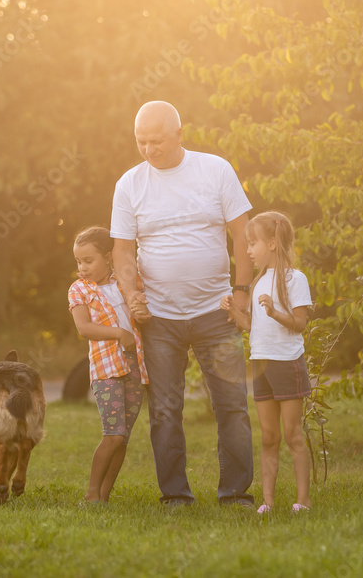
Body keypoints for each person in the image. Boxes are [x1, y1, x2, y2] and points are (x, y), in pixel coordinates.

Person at [111, 100, 255, 506]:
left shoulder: (215, 170)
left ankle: (236, 494)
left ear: (179, 134)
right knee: (164, 411)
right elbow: (122, 253)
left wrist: (241, 294)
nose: (148, 149)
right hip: (159, 318)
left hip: (218, 311)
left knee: (232, 406)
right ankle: (174, 495)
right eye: (141, 141)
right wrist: (131, 294)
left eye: (156, 141)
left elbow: (242, 236)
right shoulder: (130, 184)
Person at [221, 211, 313, 514]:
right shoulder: (259, 281)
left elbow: (300, 323)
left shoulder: (294, 279)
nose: (248, 251)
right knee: (270, 437)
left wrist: (274, 312)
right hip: (261, 364)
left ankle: (303, 500)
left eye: (252, 244)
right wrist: (235, 312)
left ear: (272, 243)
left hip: (287, 363)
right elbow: (253, 326)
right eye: (246, 244)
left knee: (293, 434)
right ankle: (268, 502)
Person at [68, 226, 149, 504]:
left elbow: (143, 314)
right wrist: (119, 334)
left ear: (108, 257)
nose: (82, 267)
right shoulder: (79, 289)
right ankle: (91, 494)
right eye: (79, 261)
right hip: (106, 369)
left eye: (88, 261)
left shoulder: (127, 282)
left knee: (123, 438)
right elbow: (84, 328)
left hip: (135, 366)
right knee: (113, 435)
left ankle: (103, 496)